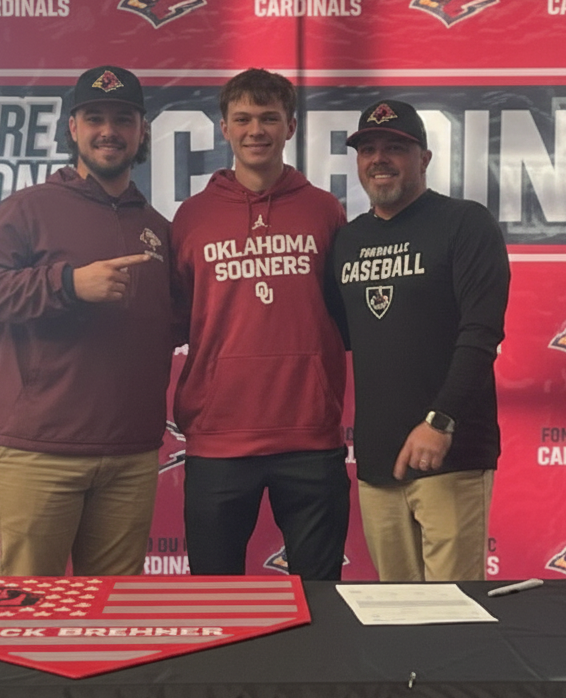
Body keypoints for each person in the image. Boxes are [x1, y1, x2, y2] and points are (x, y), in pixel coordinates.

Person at [0, 65, 172, 577]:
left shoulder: (157, 226)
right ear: (72, 128)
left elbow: (174, 320)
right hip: (39, 450)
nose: (109, 131)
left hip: (130, 454)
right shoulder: (30, 208)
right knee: (32, 614)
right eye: (94, 117)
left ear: (142, 131)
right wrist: (69, 284)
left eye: (123, 118)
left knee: (116, 617)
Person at [170, 68, 351, 580]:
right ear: (223, 128)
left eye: (269, 118)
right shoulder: (192, 216)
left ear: (291, 126)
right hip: (219, 436)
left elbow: (340, 309)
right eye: (243, 118)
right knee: (215, 598)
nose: (256, 130)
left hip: (310, 436)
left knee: (322, 601)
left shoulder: (324, 209)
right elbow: (179, 316)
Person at [331, 99, 510, 582]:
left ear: (424, 158)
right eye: (368, 149)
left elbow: (481, 334)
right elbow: (346, 336)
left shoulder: (464, 223)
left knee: (452, 620)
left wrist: (439, 420)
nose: (379, 158)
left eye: (395, 147)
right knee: (398, 615)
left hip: (450, 453)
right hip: (376, 462)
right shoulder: (347, 241)